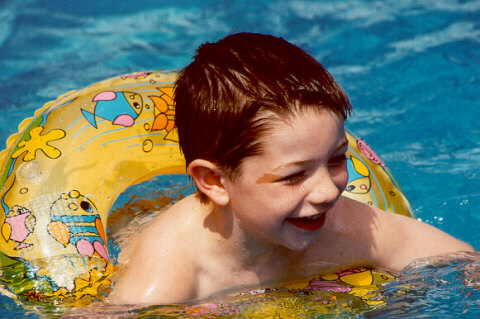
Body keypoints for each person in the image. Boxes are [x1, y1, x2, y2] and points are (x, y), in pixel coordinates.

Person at [109, 33, 473, 305]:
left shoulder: (343, 227)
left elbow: (463, 261)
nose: (328, 191)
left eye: (334, 160)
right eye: (294, 175)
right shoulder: (169, 274)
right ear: (214, 181)